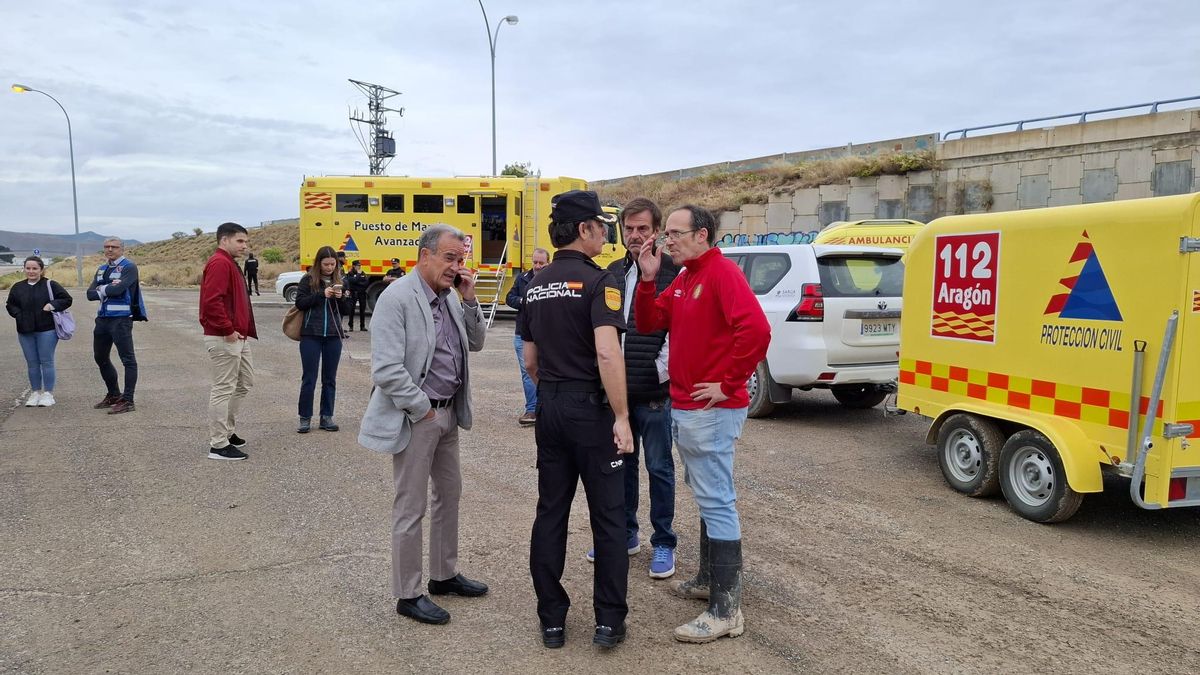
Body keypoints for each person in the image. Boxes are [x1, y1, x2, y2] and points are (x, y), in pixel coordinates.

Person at [634, 204, 771, 643]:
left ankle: (726, 611)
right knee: (708, 494)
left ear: (703, 235)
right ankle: (710, 582)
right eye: (667, 234)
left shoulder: (721, 273)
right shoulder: (687, 277)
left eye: (675, 233)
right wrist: (649, 278)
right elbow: (649, 321)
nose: (666, 240)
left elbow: (756, 330)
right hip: (688, 409)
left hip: (710, 411)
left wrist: (728, 382)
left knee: (716, 500)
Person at [519, 190, 635, 650]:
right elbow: (608, 351)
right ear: (584, 229)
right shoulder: (599, 280)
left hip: (550, 406)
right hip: (590, 411)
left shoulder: (535, 283)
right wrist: (621, 415)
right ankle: (608, 620)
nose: (606, 232)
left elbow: (530, 359)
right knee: (608, 517)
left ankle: (552, 619)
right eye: (600, 225)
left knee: (551, 512)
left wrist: (553, 389)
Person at [358, 224, 487, 626]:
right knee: (410, 506)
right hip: (418, 417)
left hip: (449, 413)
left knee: (449, 496)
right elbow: (387, 369)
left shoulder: (449, 296)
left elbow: (477, 342)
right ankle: (408, 593)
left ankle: (443, 575)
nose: (456, 266)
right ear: (425, 255)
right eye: (449, 258)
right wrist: (423, 411)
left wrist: (469, 299)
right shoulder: (397, 298)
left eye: (460, 259)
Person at [585, 197, 681, 579]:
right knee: (620, 469)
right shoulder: (610, 272)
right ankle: (626, 535)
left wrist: (659, 372)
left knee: (659, 469)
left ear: (656, 230)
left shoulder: (673, 271)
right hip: (617, 395)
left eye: (643, 228)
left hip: (655, 396)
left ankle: (664, 542)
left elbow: (678, 331)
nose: (636, 235)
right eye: (630, 229)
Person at [199, 222, 258, 461]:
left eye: (245, 241)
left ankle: (228, 431)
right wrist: (228, 330)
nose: (245, 246)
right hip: (225, 336)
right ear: (224, 240)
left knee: (244, 383)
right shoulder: (219, 263)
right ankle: (218, 444)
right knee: (223, 388)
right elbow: (212, 302)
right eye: (240, 241)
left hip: (238, 336)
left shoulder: (229, 263)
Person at [87, 237, 147, 414]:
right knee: (100, 357)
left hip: (121, 320)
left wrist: (102, 289)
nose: (110, 250)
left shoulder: (129, 267)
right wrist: (108, 288)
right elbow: (89, 294)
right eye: (106, 247)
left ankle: (128, 400)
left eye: (114, 247)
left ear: (122, 249)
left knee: (128, 359)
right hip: (103, 319)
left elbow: (118, 290)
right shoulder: (102, 269)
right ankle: (113, 394)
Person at [5, 256, 72, 407]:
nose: (31, 271)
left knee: (46, 361)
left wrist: (52, 305)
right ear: (24, 269)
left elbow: (67, 299)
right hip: (25, 331)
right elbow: (10, 305)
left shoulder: (50, 284)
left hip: (46, 330)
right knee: (32, 363)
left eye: (35, 268)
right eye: (28, 268)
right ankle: (35, 392)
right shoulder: (17, 287)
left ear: (41, 270)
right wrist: (18, 315)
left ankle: (48, 394)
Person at [294, 246, 346, 433]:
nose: (330, 267)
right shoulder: (307, 280)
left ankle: (326, 417)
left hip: (333, 335)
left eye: (333, 264)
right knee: (309, 377)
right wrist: (320, 295)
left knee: (330, 379)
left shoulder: (341, 281)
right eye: (326, 264)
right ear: (318, 263)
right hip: (311, 335)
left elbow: (346, 311)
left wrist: (341, 298)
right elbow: (300, 303)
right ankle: (305, 418)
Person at [504, 247, 549, 425]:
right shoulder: (522, 278)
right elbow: (509, 298)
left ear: (548, 263)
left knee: (547, 370)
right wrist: (524, 301)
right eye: (535, 262)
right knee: (527, 371)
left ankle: (546, 407)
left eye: (541, 263)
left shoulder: (552, 280)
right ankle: (532, 410)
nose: (537, 266)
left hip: (546, 333)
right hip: (523, 333)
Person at [344, 259, 370, 332]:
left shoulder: (362, 273)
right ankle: (351, 326)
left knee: (362, 310)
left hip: (361, 294)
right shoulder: (350, 273)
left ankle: (362, 326)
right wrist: (358, 276)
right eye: (357, 266)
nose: (359, 267)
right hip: (353, 293)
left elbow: (366, 282)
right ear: (353, 266)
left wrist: (358, 282)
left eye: (359, 266)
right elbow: (352, 281)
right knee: (351, 310)